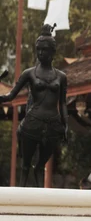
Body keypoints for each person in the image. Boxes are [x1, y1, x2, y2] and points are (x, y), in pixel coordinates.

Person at [0, 24, 68, 187]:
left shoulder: (61, 76)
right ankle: (21, 195)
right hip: (33, 121)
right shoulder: (29, 73)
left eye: (44, 50)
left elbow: (63, 103)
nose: (40, 53)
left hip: (53, 123)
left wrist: (65, 126)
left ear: (52, 52)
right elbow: (11, 95)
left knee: (40, 165)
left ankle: (41, 196)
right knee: (25, 166)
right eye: (38, 50)